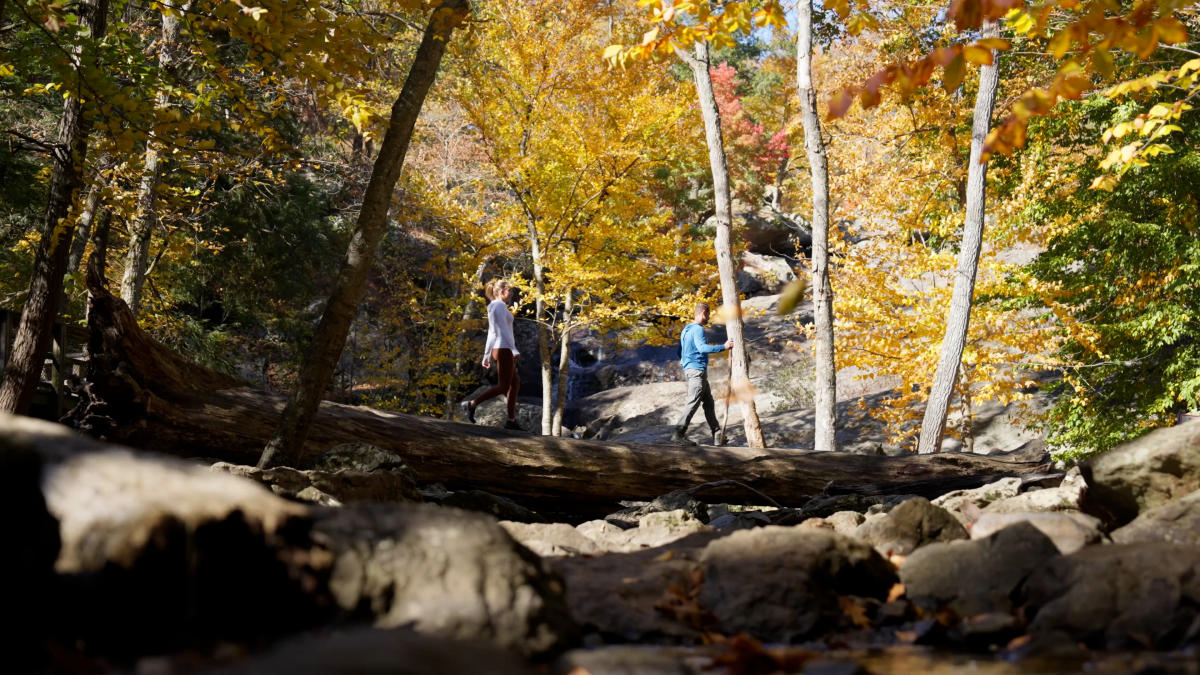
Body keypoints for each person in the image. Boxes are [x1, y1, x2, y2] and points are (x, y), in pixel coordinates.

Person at [461, 278, 523, 430]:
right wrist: (513, 349)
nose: (511, 294)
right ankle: (472, 404)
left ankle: (511, 420)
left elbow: (492, 333)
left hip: (499, 348)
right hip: (504, 348)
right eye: (510, 291)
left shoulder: (493, 307)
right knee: (503, 387)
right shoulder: (500, 306)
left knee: (514, 384)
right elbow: (501, 331)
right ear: (502, 292)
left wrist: (487, 355)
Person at [672, 301, 733, 446]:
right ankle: (678, 434)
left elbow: (678, 352)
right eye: (709, 314)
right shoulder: (698, 329)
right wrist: (724, 347)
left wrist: (687, 363)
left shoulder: (686, 329)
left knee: (709, 403)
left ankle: (717, 435)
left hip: (694, 371)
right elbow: (702, 348)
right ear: (703, 313)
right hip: (697, 371)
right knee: (693, 402)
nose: (709, 317)